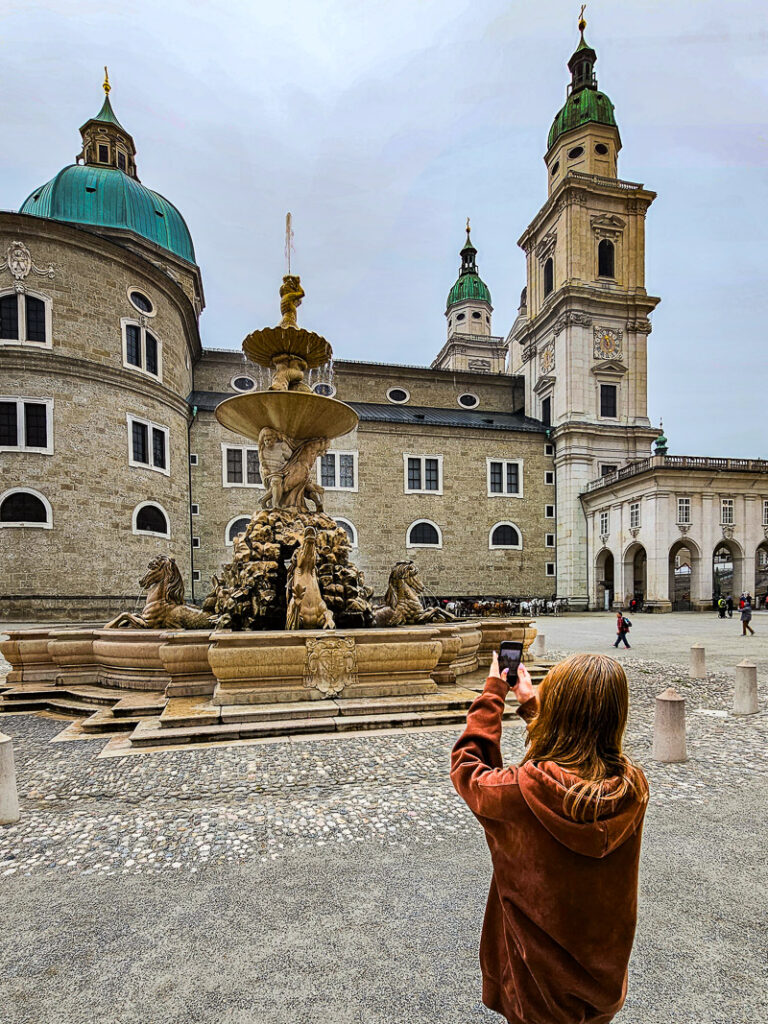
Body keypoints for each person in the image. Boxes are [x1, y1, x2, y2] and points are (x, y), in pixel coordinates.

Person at [451, 651, 649, 1024]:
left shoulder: (523, 792)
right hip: (601, 981)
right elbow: (578, 748)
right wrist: (531, 706)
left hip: (536, 989)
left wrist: (494, 692)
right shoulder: (633, 789)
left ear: (557, 712)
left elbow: (467, 767)